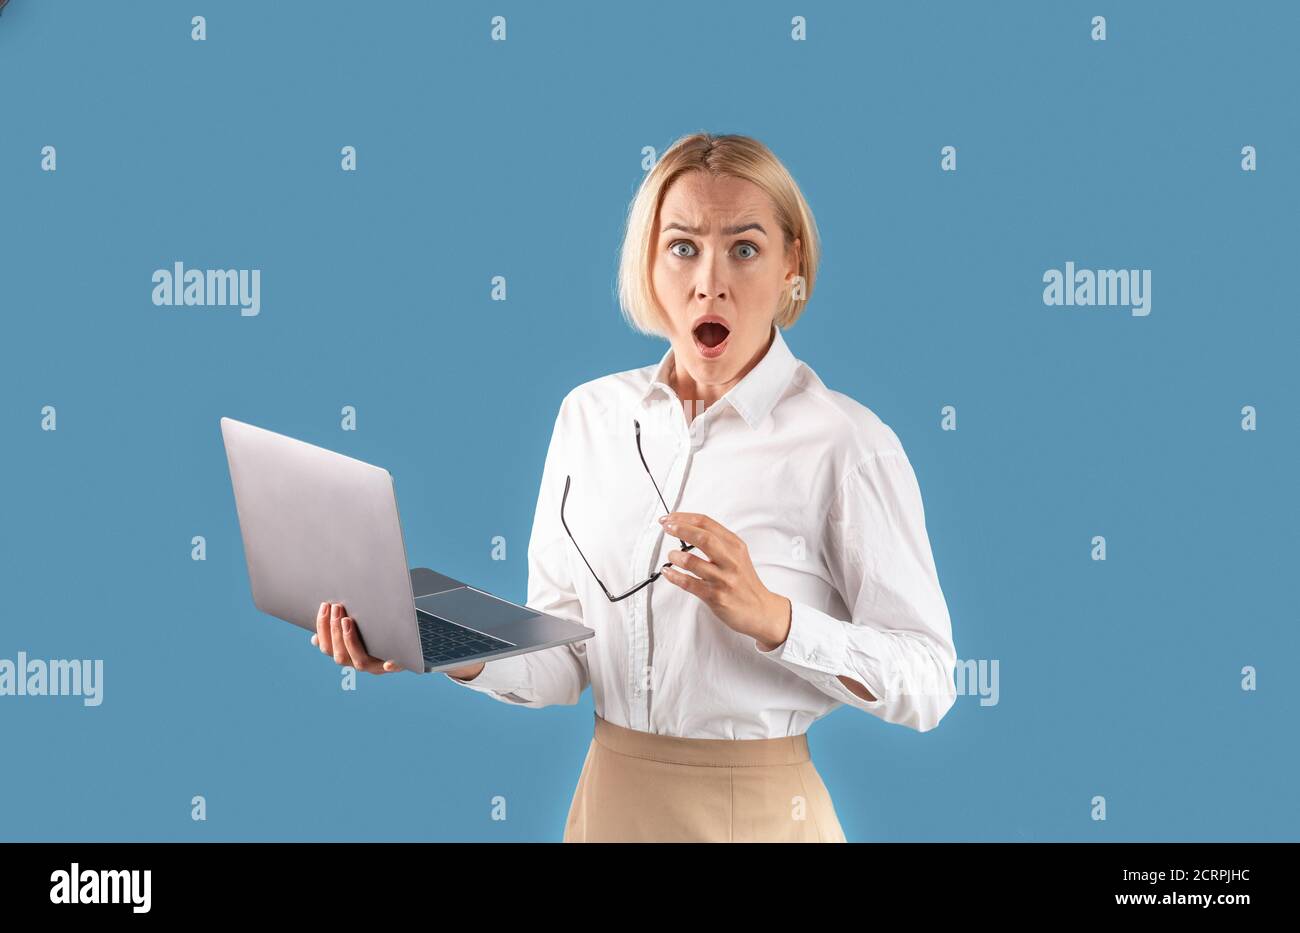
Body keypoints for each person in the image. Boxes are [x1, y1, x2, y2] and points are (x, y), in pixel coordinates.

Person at [311, 132, 958, 842]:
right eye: (683, 246)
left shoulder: (848, 444)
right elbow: (561, 662)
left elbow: (929, 682)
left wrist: (775, 618)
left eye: (744, 248)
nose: (709, 280)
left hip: (764, 816)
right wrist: (436, 639)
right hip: (608, 807)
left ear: (790, 263)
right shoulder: (588, 417)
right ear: (649, 262)